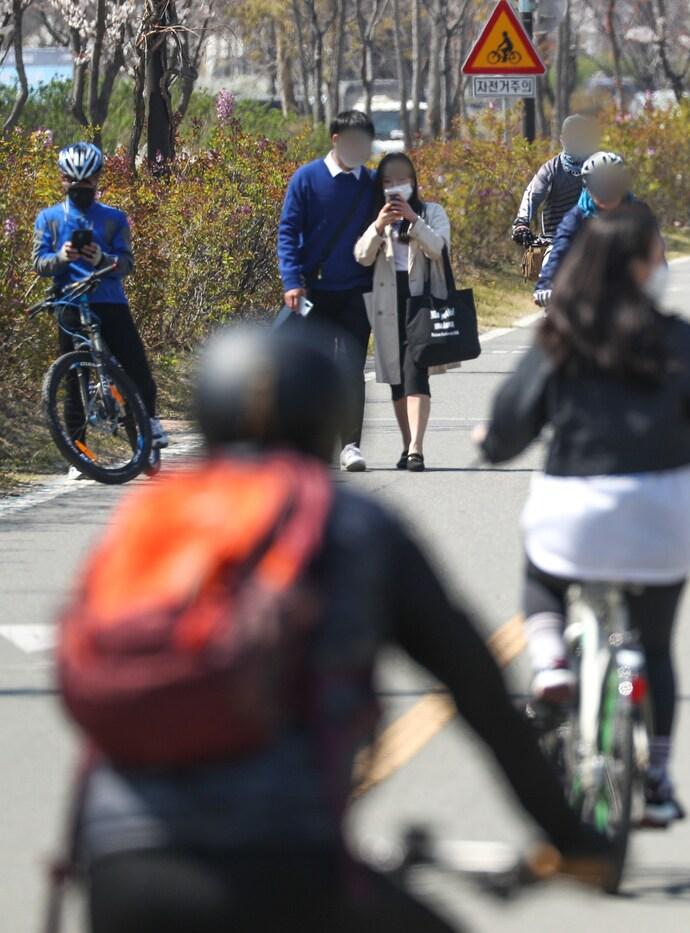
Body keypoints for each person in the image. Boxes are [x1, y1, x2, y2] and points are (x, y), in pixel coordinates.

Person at [68, 324, 608, 933]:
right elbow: (478, 691)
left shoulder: (150, 522)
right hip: (282, 865)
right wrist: (571, 835)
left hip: (120, 874)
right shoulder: (350, 524)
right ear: (331, 417)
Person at [479, 204, 690, 828]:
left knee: (542, 580)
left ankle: (552, 665)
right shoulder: (681, 338)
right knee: (656, 645)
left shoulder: (561, 336)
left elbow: (512, 421)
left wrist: (492, 444)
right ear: (644, 268)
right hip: (659, 515)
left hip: (573, 510)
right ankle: (660, 775)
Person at [33, 142, 167, 468]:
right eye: (73, 184)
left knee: (137, 370)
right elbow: (39, 263)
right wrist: (61, 257)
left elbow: (128, 263)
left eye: (87, 183)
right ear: (62, 180)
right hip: (69, 302)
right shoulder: (48, 218)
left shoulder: (113, 219)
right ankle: (78, 454)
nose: (80, 190)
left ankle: (146, 429)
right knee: (71, 380)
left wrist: (104, 259)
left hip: (109, 301)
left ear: (97, 180)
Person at [277, 109, 379, 472]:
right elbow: (288, 232)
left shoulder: (371, 183)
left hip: (356, 292)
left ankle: (350, 444)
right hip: (310, 293)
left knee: (352, 369)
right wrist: (291, 281)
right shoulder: (306, 179)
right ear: (336, 139)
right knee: (300, 365)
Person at [354, 152, 451, 472]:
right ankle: (406, 443)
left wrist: (413, 219)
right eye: (388, 182)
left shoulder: (431, 212)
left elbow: (438, 248)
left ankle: (416, 448)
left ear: (414, 182)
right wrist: (379, 226)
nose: (396, 187)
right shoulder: (376, 215)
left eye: (402, 180)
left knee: (416, 371)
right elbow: (362, 257)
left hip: (421, 299)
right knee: (396, 378)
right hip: (387, 303)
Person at [533, 151, 641, 306]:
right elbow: (560, 250)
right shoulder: (576, 217)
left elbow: (653, 250)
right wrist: (546, 285)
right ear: (587, 187)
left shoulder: (638, 211)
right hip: (584, 285)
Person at [512, 114, 600, 244]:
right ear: (562, 139)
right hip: (556, 240)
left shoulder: (600, 166)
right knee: (550, 263)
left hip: (595, 240)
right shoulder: (550, 169)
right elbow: (532, 195)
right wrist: (521, 223)